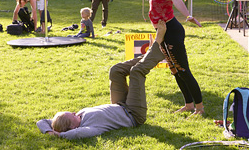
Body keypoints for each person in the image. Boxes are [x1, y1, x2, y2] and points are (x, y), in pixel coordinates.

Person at [36, 21, 167, 139]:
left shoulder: (76, 118)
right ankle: (157, 44)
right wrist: (60, 136)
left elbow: (41, 122)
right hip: (133, 114)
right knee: (136, 72)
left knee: (115, 71)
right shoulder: (89, 128)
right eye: (72, 115)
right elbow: (77, 134)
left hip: (120, 104)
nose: (75, 112)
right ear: (72, 127)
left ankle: (150, 55)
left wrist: (50, 132)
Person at [141, 0, 204, 115]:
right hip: (162, 33)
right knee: (175, 70)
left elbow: (177, 0)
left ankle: (200, 108)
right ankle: (189, 104)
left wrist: (188, 15)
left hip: (172, 31)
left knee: (183, 70)